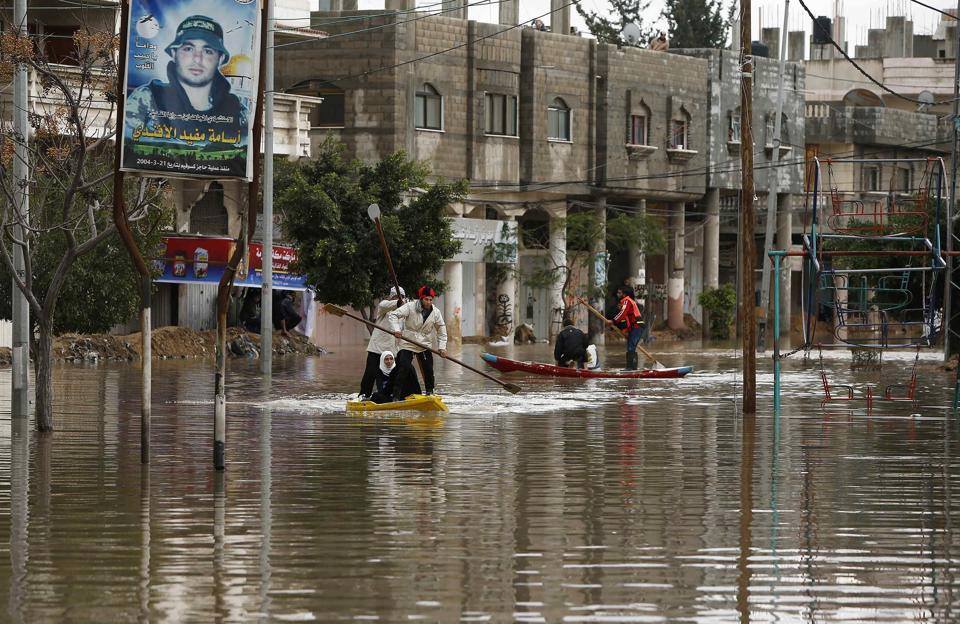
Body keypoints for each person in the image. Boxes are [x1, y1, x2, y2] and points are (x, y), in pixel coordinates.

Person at [124, 15, 248, 149]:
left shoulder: (237, 111)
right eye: (188, 48)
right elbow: (129, 147)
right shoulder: (147, 99)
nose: (197, 59)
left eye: (207, 51)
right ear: (173, 53)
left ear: (221, 58)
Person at [388, 286, 448, 396]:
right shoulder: (410, 307)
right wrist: (396, 330)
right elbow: (393, 315)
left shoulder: (436, 312)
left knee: (428, 370)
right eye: (426, 299)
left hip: (424, 344)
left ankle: (430, 393)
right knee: (403, 368)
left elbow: (441, 330)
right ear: (421, 298)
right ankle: (395, 395)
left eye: (430, 299)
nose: (428, 302)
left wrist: (442, 347)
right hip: (407, 343)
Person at [359, 286, 405, 399]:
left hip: (392, 351)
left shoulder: (404, 313)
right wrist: (398, 302)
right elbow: (386, 305)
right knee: (370, 373)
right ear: (391, 297)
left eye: (402, 297)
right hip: (377, 348)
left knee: (393, 375)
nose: (400, 299)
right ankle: (364, 395)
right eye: (397, 297)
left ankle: (389, 395)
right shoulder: (384, 307)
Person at [609, 286, 643, 370]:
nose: (617, 294)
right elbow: (626, 319)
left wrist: (613, 321)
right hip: (635, 327)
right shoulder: (627, 301)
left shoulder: (627, 301)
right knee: (631, 347)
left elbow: (622, 314)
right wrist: (626, 330)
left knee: (631, 347)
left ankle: (631, 368)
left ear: (624, 294)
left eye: (619, 293)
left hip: (637, 326)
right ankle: (631, 367)